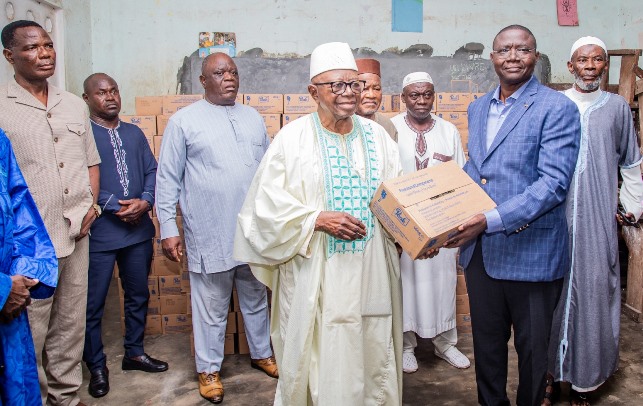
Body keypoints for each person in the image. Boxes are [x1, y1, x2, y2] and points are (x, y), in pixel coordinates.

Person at [235, 41, 404, 405]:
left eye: (355, 84)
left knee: (372, 348)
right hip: (316, 272)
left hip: (372, 269)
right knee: (320, 355)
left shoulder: (378, 137)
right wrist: (316, 218)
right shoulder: (292, 139)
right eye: (337, 85)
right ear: (314, 92)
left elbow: (398, 197)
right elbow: (262, 209)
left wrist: (420, 233)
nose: (349, 92)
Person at [443, 25, 581, 406]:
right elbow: (477, 170)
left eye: (523, 49)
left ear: (535, 56)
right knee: (487, 351)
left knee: (533, 356)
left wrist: (487, 220)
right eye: (505, 50)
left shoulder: (557, 108)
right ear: (493, 57)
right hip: (481, 257)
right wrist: (442, 213)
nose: (513, 57)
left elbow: (553, 184)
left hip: (532, 255)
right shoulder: (478, 107)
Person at [156, 52, 277, 404]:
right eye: (220, 73)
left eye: (233, 72)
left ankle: (261, 353)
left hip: (252, 231)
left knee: (256, 297)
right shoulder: (183, 122)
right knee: (211, 305)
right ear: (203, 81)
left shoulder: (252, 117)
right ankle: (208, 369)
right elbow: (167, 179)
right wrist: (168, 227)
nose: (229, 78)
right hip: (210, 229)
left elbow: (269, 171)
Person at [0, 20, 101, 406]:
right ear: (10, 56)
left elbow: (91, 162)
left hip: (77, 233)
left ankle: (67, 398)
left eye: (47, 45)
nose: (44, 54)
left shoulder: (73, 104)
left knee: (70, 326)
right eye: (31, 48)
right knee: (30, 330)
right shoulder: (2, 107)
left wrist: (92, 207)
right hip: (28, 245)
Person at [545, 36, 643, 406]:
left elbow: (631, 162)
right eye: (582, 60)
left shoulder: (617, 108)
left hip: (598, 220)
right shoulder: (554, 105)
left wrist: (631, 207)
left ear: (605, 66)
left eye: (597, 60)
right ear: (570, 66)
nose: (590, 67)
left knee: (595, 293)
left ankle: (585, 382)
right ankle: (548, 375)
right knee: (549, 296)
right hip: (554, 219)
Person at [81, 73, 168, 399]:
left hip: (138, 231)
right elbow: (79, 176)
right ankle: (96, 365)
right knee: (93, 304)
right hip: (101, 233)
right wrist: (115, 204)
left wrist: (145, 200)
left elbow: (152, 169)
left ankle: (134, 352)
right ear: (87, 99)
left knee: (138, 294)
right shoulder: (83, 134)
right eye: (101, 93)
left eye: (114, 91)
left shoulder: (133, 133)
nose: (110, 97)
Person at [390, 71, 470, 374]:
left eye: (427, 94)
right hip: (404, 225)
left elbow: (460, 177)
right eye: (414, 95)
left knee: (442, 283)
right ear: (403, 98)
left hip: (441, 224)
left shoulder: (448, 130)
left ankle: (445, 343)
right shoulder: (391, 128)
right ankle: (406, 346)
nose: (421, 101)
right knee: (405, 285)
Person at [0, 127, 58, 405]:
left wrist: (23, 273)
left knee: (17, 385)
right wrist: (3, 289)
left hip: (10, 300)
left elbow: (18, 203)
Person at [354, 58, 398, 141]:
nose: (371, 95)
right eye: (364, 89)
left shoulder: (387, 125)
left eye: (377, 89)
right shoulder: (340, 124)